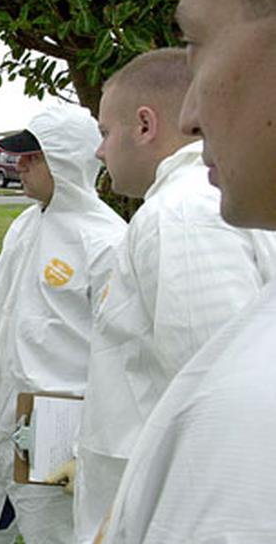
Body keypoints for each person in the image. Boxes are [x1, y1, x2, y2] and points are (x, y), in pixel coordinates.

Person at [51, 48, 276, 544]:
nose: (100, 152)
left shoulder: (180, 217)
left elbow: (214, 406)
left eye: (106, 133)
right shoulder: (191, 205)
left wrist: (117, 520)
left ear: (146, 125)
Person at [0, 105, 126, 544]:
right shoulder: (25, 225)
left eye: (32, 157)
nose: (18, 165)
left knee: (55, 534)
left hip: (58, 433)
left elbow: (119, 359)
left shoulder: (106, 242)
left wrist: (89, 452)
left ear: (67, 159)